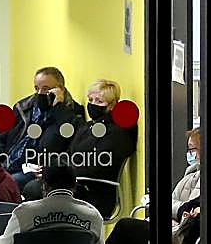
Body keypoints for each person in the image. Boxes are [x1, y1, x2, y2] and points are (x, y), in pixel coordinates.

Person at [22, 79, 139, 218]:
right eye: (90, 99)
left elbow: (99, 166)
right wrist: (49, 168)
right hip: (74, 184)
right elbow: (69, 153)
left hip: (94, 192)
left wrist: (60, 174)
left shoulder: (118, 132)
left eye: (99, 101)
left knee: (34, 189)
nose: (93, 105)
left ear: (112, 105)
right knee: (31, 186)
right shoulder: (89, 126)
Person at [0, 66, 85, 191]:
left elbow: (65, 145)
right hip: (7, 161)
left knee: (6, 184)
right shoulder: (24, 106)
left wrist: (58, 107)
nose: (39, 93)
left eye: (45, 89)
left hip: (33, 170)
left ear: (60, 89)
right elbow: (1, 137)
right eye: (36, 88)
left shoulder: (71, 114)